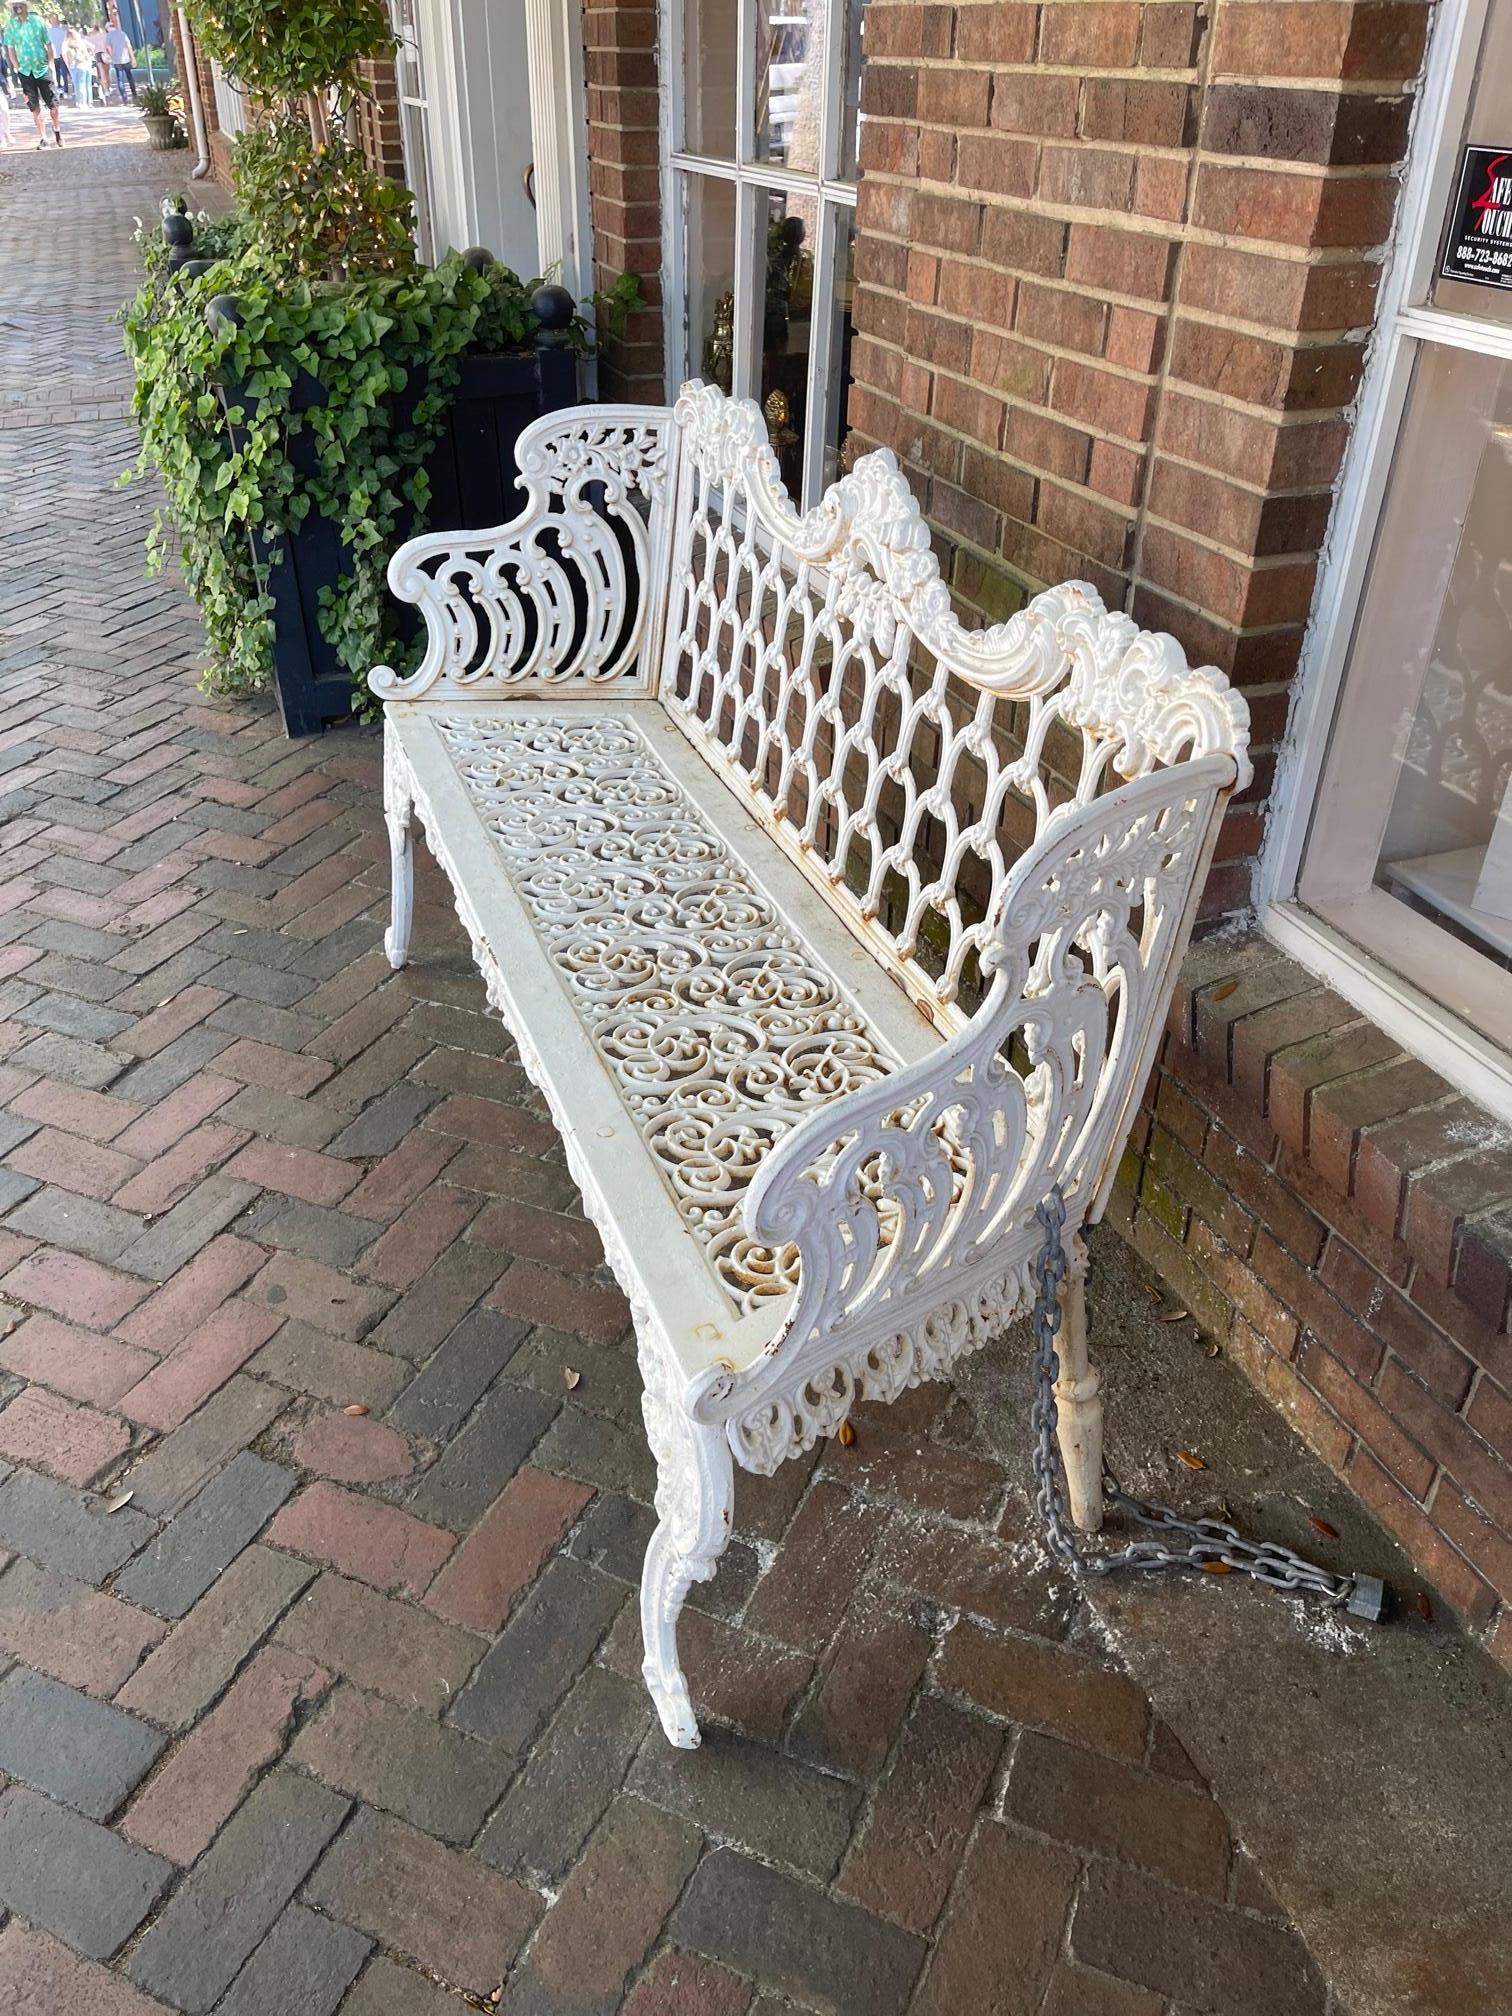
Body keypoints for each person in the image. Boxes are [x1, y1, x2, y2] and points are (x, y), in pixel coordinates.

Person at [2, 3, 61, 146]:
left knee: (53, 105)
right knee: (34, 106)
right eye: (15, 5)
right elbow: (10, 49)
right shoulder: (11, 26)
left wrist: (50, 65)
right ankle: (44, 138)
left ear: (25, 5)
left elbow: (48, 44)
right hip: (25, 72)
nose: (17, 7)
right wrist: (17, 68)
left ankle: (56, 129)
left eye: (20, 4)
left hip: (42, 68)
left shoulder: (37, 22)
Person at [104, 16, 132, 100]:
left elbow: (109, 48)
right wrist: (132, 57)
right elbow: (128, 46)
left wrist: (112, 57)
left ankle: (124, 97)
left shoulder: (108, 36)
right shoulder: (122, 33)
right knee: (130, 76)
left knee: (120, 79)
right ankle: (134, 94)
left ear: (108, 29)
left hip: (117, 61)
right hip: (126, 58)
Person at [65, 22, 89, 103]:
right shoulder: (80, 43)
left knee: (77, 85)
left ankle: (79, 102)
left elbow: (65, 56)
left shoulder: (67, 45)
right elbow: (86, 54)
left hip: (73, 66)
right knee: (83, 84)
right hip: (83, 64)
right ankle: (84, 102)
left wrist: (68, 65)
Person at [46, 11, 66, 95]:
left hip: (63, 54)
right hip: (53, 55)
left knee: (64, 73)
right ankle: (59, 88)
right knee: (56, 73)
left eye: (55, 19)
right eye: (52, 19)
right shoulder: (47, 31)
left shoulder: (63, 30)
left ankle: (66, 90)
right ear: (50, 21)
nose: (54, 21)